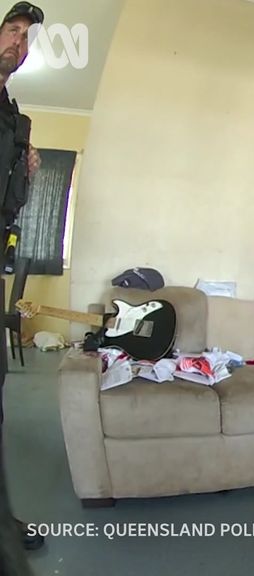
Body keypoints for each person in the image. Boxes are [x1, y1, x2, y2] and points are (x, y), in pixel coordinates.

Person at [0, 2, 45, 562]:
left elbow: (11, 208)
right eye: (11, 29)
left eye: (26, 36)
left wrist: (25, 171)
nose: (18, 41)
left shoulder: (16, 119)